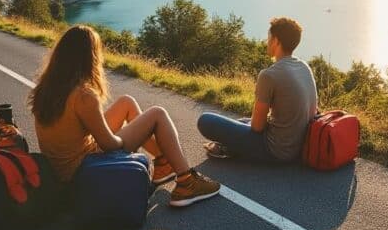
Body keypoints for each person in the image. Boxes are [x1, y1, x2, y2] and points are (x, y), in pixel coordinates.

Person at [30, 25, 220, 207]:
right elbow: (109, 145)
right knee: (157, 114)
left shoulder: (47, 87)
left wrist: (131, 131)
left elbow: (78, 129)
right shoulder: (83, 95)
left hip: (61, 169)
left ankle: (164, 163)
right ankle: (187, 183)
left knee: (126, 103)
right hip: (81, 171)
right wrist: (129, 137)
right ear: (90, 58)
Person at [197, 17, 318, 162]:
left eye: (269, 37)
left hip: (276, 151)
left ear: (276, 41)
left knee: (205, 120)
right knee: (241, 121)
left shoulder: (268, 75)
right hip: (299, 147)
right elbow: (311, 111)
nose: (267, 41)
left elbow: (257, 128)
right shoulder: (304, 67)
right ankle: (229, 146)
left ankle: (230, 147)